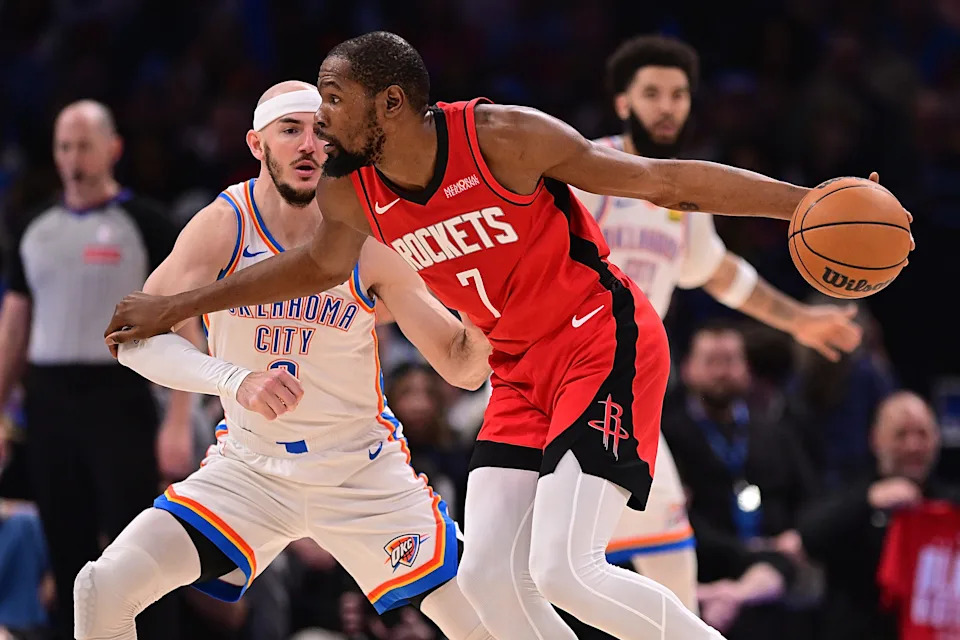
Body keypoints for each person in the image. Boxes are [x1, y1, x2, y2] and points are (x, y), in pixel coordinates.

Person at [103, 32, 912, 640]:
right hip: (520, 371)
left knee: (565, 570)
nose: (322, 120)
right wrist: (180, 307)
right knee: (488, 580)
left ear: (391, 105)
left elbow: (661, 181)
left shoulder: (502, 137)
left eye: (335, 100)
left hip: (600, 339)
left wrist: (805, 200)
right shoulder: (354, 192)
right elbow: (312, 268)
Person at [74, 82, 495, 640]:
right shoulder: (226, 223)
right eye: (290, 130)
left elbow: (463, 368)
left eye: (321, 132)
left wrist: (490, 300)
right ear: (257, 144)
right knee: (102, 587)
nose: (308, 145)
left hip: (360, 473)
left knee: (488, 622)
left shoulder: (368, 236)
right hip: (250, 470)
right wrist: (233, 379)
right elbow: (133, 340)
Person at [566, 33, 861, 618]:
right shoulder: (586, 174)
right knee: (543, 566)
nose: (667, 107)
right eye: (652, 93)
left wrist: (800, 321)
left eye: (678, 95)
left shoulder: (681, 196)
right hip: (563, 377)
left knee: (670, 552)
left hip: (628, 391)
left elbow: (723, 274)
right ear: (623, 102)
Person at [0, 100, 198, 640]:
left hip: (119, 398)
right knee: (66, 544)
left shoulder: (147, 223)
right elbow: (14, 330)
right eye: (64, 147)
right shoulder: (33, 227)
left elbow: (186, 322)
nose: (73, 158)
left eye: (84, 146)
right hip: (48, 401)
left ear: (113, 149)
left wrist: (179, 421)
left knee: (140, 548)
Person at [797, 391, 958, 640]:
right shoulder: (851, 493)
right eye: (901, 435)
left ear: (937, 439)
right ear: (876, 439)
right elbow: (809, 534)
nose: (913, 446)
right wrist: (870, 500)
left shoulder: (950, 506)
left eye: (922, 434)